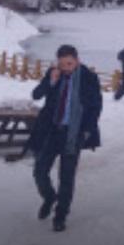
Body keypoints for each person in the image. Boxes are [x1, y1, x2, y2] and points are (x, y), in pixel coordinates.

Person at [28, 44, 103, 232]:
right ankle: (49, 197)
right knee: (39, 170)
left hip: (74, 134)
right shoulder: (54, 73)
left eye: (69, 64)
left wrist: (86, 131)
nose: (66, 68)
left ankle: (61, 215)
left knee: (66, 177)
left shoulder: (89, 77)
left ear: (77, 61)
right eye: (62, 64)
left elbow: (95, 107)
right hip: (52, 131)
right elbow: (36, 95)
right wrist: (50, 82)